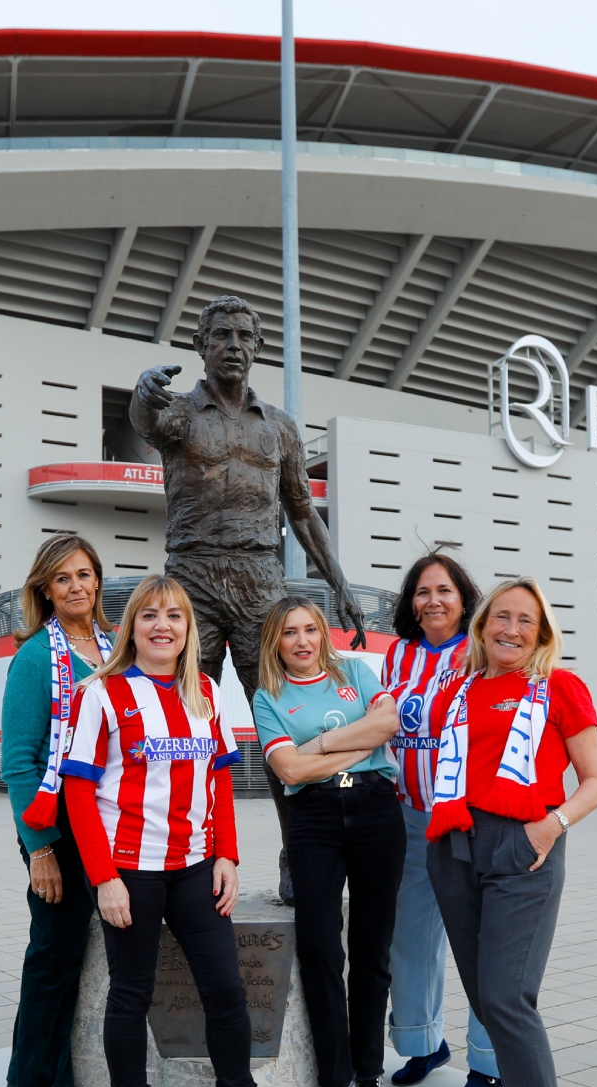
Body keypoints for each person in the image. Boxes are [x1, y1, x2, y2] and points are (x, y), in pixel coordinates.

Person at [130, 294, 370, 903]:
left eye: (244, 335)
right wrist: (141, 391)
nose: (234, 345)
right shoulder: (181, 413)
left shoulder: (282, 427)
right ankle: (181, 858)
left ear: (257, 348)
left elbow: (302, 511)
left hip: (262, 578)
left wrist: (338, 583)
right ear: (201, 347)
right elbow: (145, 421)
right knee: (182, 718)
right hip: (193, 576)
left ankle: (300, 860)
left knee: (286, 722)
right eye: (222, 336)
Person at [60, 575, 288, 1087]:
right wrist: (103, 876)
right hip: (128, 873)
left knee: (227, 994)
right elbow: (78, 790)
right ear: (131, 626)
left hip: (194, 868)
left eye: (176, 617)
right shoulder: (102, 694)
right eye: (150, 616)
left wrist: (228, 857)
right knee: (130, 999)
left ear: (189, 631)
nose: (163, 626)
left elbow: (219, 783)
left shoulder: (206, 692)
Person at [425, 577, 597, 1087]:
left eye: (523, 621)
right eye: (499, 617)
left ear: (540, 632)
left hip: (522, 849)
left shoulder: (560, 687)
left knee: (508, 999)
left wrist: (551, 824)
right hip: (453, 850)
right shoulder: (457, 689)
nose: (509, 628)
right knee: (489, 999)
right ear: (481, 627)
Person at [251, 596, 403, 1087]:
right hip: (312, 818)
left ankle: (369, 1078)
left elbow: (385, 724)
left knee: (371, 952)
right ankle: (334, 1086)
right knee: (318, 950)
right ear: (276, 642)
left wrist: (319, 747)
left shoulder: (358, 672)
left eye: (310, 629)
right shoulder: (268, 694)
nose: (301, 641)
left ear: (322, 634)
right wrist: (352, 744)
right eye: (289, 632)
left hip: (376, 811)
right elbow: (288, 767)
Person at [0, 534, 113, 1087]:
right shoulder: (35, 659)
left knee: (71, 956)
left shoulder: (116, 644)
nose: (77, 586)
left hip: (112, 821)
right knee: (55, 958)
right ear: (46, 588)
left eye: (86, 575)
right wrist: (39, 848)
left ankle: (23, 1073)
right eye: (64, 578)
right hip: (57, 830)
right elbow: (18, 761)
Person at [381, 554, 503, 1087]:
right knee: (410, 937)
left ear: (464, 598)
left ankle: (488, 1061)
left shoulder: (482, 653)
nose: (433, 601)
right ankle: (422, 1043)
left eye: (445, 590)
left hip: (467, 819)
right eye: (422, 591)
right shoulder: (397, 655)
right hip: (407, 819)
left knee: (478, 942)